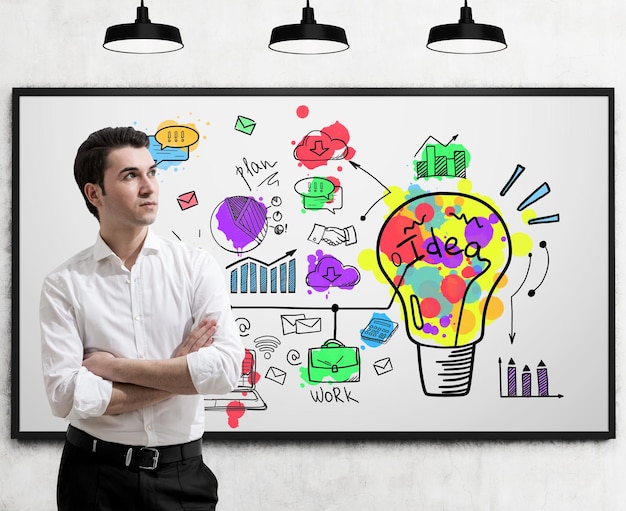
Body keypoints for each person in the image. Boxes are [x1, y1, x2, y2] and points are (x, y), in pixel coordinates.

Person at [40, 126, 244, 511]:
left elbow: (224, 370)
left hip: (183, 477)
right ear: (94, 193)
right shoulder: (63, 285)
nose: (149, 187)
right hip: (93, 478)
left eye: (151, 172)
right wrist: (177, 373)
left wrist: (116, 368)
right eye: (130, 175)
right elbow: (66, 395)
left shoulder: (196, 268)